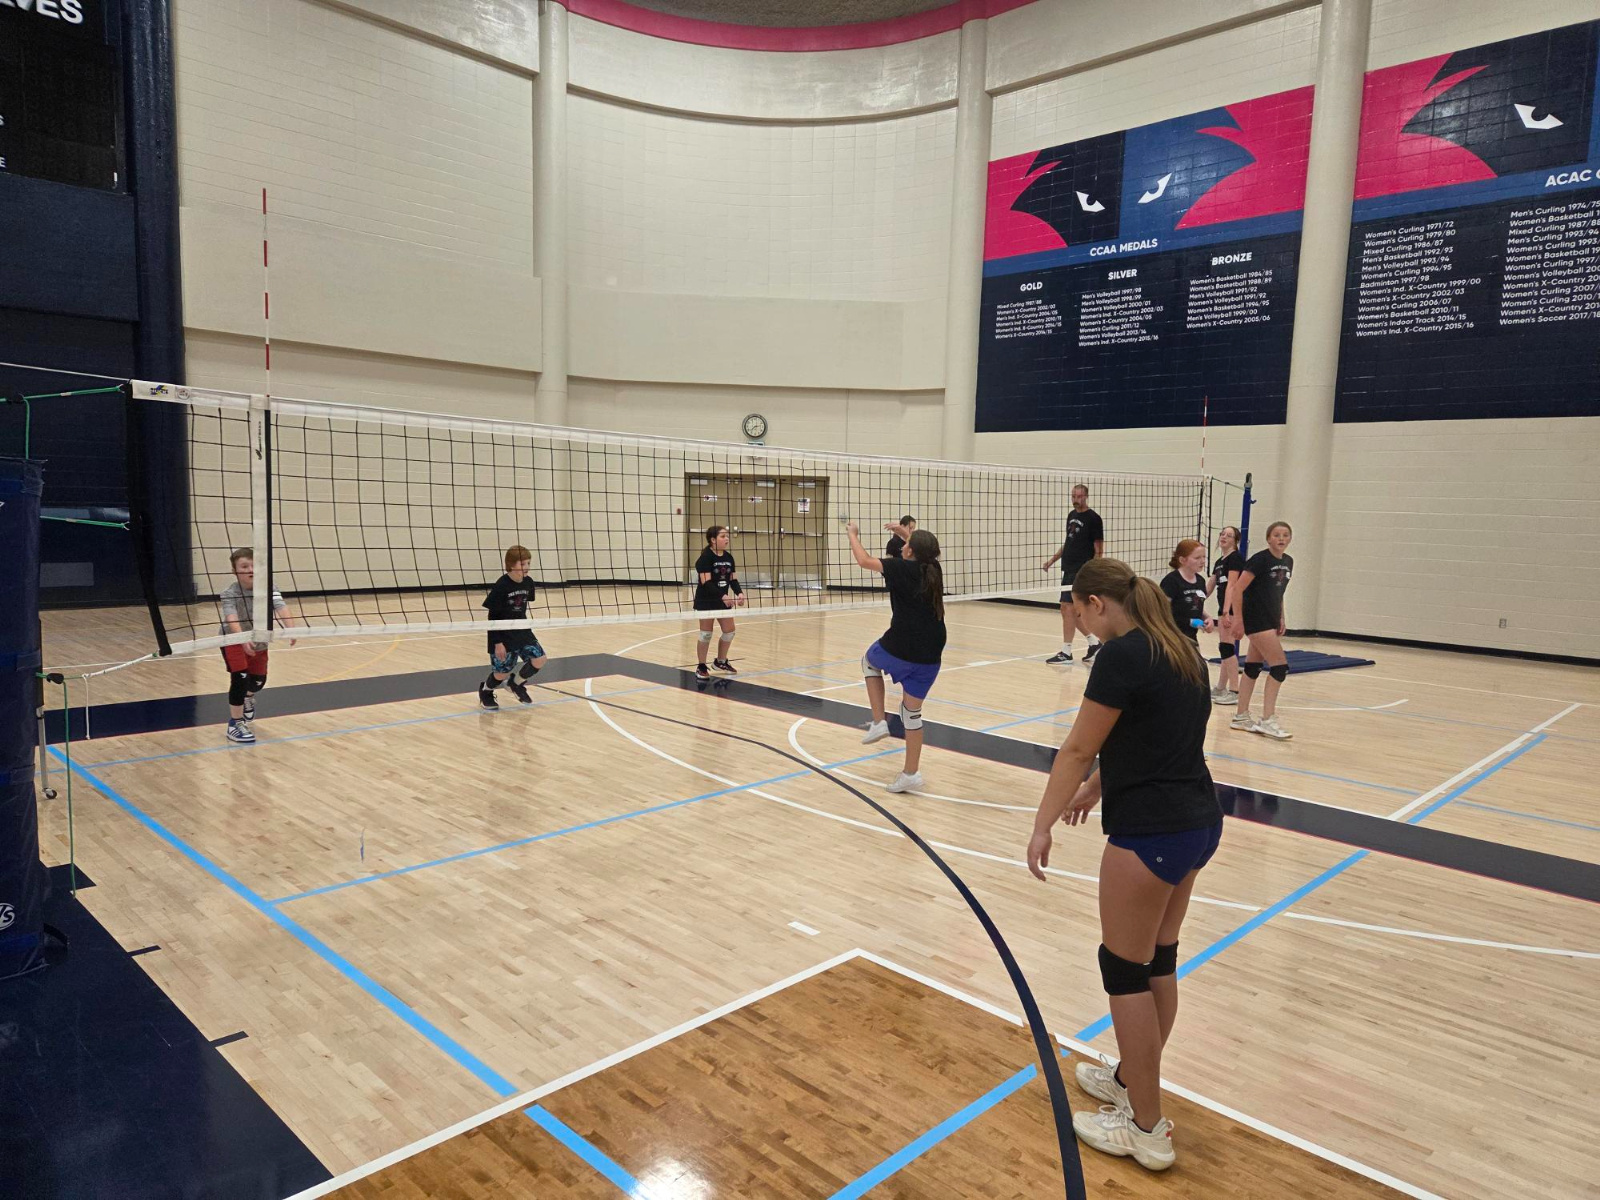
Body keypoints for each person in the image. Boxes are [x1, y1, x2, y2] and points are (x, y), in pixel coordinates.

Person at [1026, 557, 1221, 1173]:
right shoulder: (1181, 648)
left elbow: (1078, 747)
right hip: (1198, 822)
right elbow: (1155, 738)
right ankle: (1131, 1081)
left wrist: (1042, 824)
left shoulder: (1121, 655)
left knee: (1124, 971)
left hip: (1152, 832)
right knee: (1157, 960)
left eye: (1078, 611)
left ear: (1096, 603)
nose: (1079, 622)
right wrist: (1098, 787)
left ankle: (1146, 1128)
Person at [847, 521, 946, 794]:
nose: (902, 546)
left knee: (869, 662)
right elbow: (922, 548)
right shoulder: (933, 568)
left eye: (906, 544)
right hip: (933, 649)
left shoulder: (900, 568)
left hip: (905, 642)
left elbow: (864, 560)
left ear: (910, 552)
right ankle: (910, 774)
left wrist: (852, 534)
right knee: (911, 714)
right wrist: (904, 533)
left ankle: (879, 721)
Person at [218, 547, 297, 744]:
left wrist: (291, 628)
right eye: (244, 566)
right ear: (235, 571)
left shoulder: (269, 588)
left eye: (254, 565)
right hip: (233, 639)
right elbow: (231, 618)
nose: (250, 570)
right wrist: (242, 638)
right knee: (240, 678)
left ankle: (249, 696)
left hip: (260, 638)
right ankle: (235, 723)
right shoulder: (230, 593)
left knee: (258, 682)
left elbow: (280, 607)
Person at [1226, 521, 1294, 740]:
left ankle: (1241, 716)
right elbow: (1238, 589)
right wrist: (1238, 619)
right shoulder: (1259, 560)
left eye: (1285, 535)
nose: (1281, 539)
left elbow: (1278, 592)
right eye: (1276, 535)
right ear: (1268, 539)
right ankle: (1267, 719)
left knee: (1253, 667)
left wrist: (1281, 617)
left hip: (1270, 619)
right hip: (1256, 619)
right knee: (1280, 667)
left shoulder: (1288, 561)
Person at [479, 545, 548, 711]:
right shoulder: (502, 585)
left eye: (528, 563)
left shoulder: (528, 582)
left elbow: (522, 606)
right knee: (501, 672)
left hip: (522, 630)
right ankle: (486, 691)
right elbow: (492, 616)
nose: (526, 567)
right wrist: (497, 643)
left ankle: (515, 683)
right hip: (501, 633)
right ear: (511, 564)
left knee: (540, 659)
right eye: (522, 564)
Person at [1042, 484, 1105, 665]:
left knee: (1066, 608)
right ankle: (1094, 643)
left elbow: (1099, 549)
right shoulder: (1071, 515)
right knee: (1071, 612)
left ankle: (1066, 652)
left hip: (1081, 570)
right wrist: (1051, 560)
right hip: (1068, 569)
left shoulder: (1094, 519)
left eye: (1079, 496)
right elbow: (1068, 543)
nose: (1076, 500)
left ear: (1086, 497)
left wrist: (1093, 572)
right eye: (1073, 496)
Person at [693, 525, 745, 681]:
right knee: (706, 634)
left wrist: (739, 593)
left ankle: (720, 661)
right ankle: (701, 666)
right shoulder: (705, 558)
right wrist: (723, 596)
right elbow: (706, 583)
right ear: (713, 540)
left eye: (727, 536)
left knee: (729, 631)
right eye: (723, 536)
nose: (726, 538)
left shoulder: (729, 558)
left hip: (722, 600)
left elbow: (732, 579)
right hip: (706, 600)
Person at [1159, 541, 1213, 673]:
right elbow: (1162, 612)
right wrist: (1188, 621)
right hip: (1173, 637)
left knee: (1198, 672)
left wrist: (1208, 618)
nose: (1202, 561)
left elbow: (1196, 605)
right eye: (1197, 558)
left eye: (1204, 557)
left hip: (1191, 636)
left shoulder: (1200, 581)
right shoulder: (1171, 581)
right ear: (1182, 560)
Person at [1210, 526, 1245, 705]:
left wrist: (1226, 611)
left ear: (1235, 541)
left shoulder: (1235, 558)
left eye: (1229, 535)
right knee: (1225, 648)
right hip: (1223, 607)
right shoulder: (1219, 561)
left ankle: (1234, 690)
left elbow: (1232, 585)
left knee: (1227, 648)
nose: (1224, 537)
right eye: (1222, 534)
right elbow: (1210, 585)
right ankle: (1220, 687)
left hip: (1231, 608)